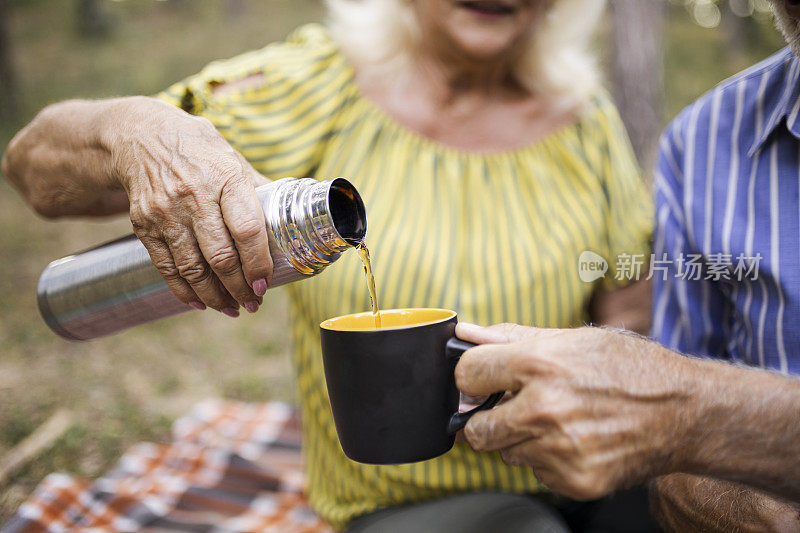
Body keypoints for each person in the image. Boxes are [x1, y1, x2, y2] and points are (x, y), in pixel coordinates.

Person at [1, 0, 654, 530]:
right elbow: (30, 166)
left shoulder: (585, 119)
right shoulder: (321, 84)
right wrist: (139, 130)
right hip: (397, 504)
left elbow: (629, 305)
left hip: (581, 471)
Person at [453, 0, 800, 530]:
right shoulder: (704, 141)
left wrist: (693, 412)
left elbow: (667, 398)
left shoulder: (586, 119)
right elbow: (665, 430)